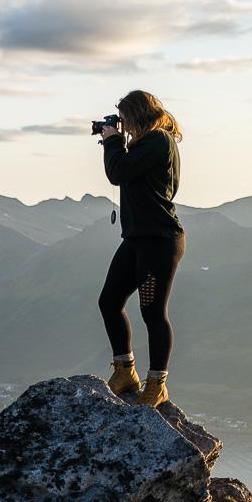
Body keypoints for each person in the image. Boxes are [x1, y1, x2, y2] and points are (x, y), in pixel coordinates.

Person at [96, 90, 185, 407]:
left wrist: (111, 141)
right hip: (137, 239)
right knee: (109, 301)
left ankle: (157, 384)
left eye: (124, 118)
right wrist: (116, 142)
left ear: (136, 114)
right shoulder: (147, 143)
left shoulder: (159, 140)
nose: (123, 125)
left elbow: (116, 173)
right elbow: (123, 170)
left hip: (159, 242)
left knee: (152, 312)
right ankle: (125, 370)